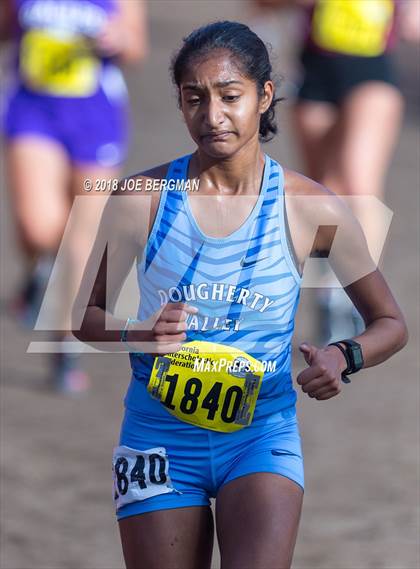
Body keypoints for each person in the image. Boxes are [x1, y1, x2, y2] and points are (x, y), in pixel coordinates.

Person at [73, 21, 407, 569]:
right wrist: (139, 333)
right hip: (158, 437)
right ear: (180, 104)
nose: (212, 116)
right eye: (194, 98)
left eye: (230, 96)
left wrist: (343, 356)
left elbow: (391, 323)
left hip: (260, 438)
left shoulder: (311, 207)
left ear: (265, 95)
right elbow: (83, 317)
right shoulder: (141, 200)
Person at [251, 0, 419, 343]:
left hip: (373, 73)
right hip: (315, 73)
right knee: (323, 191)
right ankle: (328, 297)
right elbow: (262, 5)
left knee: (360, 184)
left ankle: (359, 300)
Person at [1, 0, 148, 393]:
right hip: (33, 109)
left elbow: (136, 45)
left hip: (94, 115)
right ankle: (39, 269)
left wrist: (118, 39)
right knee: (38, 227)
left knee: (81, 235)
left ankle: (66, 344)